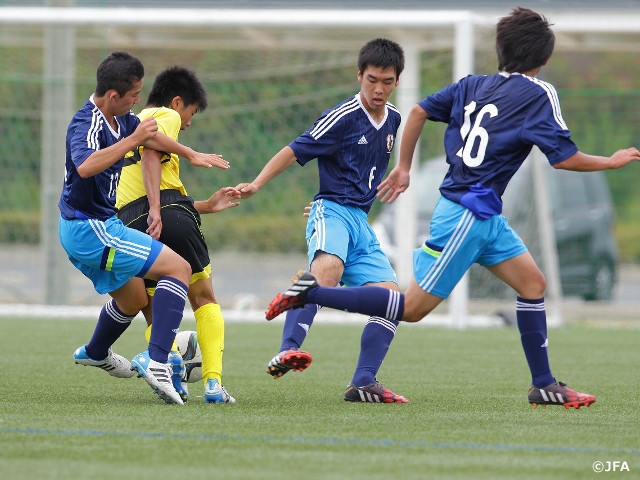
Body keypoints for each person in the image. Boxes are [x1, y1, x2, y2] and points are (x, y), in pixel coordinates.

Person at [266, 7, 640, 409]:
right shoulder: (539, 92)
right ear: (544, 59)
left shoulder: (471, 84)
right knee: (409, 309)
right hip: (466, 212)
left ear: (501, 49)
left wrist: (404, 167)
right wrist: (610, 160)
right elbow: (563, 157)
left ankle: (544, 384)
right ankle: (312, 294)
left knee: (533, 285)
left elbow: (417, 112)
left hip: (485, 214)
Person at [237, 38, 408, 404]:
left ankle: (363, 381)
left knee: (392, 302)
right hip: (332, 209)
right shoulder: (342, 116)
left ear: (396, 81)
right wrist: (256, 185)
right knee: (325, 275)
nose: (379, 89)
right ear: (359, 75)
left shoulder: (393, 119)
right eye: (372, 79)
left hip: (360, 222)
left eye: (388, 81)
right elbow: (294, 150)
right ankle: (287, 349)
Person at [59, 51, 229, 405]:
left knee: (136, 298)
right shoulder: (86, 123)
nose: (139, 99)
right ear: (113, 96)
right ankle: (158, 359)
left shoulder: (122, 119)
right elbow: (87, 166)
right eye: (134, 94)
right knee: (179, 268)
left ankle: (95, 351)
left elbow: (150, 139)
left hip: (90, 228)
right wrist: (131, 142)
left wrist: (190, 153)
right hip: (91, 229)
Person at [116, 65, 240, 404]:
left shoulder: (124, 127)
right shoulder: (162, 115)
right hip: (166, 211)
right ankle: (213, 384)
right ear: (177, 101)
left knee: (155, 306)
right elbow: (153, 155)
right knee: (203, 298)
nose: (187, 122)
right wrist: (158, 208)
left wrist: (205, 206)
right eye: (191, 113)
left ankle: (169, 365)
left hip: (128, 222)